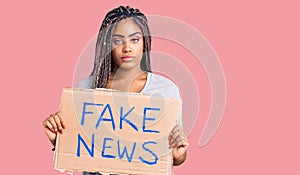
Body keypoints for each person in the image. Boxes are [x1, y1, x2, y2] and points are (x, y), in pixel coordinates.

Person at [42, 5, 189, 175]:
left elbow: (174, 155)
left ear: (145, 43)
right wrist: (57, 139)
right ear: (107, 44)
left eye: (134, 40)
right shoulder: (87, 89)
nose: (127, 48)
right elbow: (79, 149)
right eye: (118, 41)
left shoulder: (166, 90)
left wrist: (179, 153)